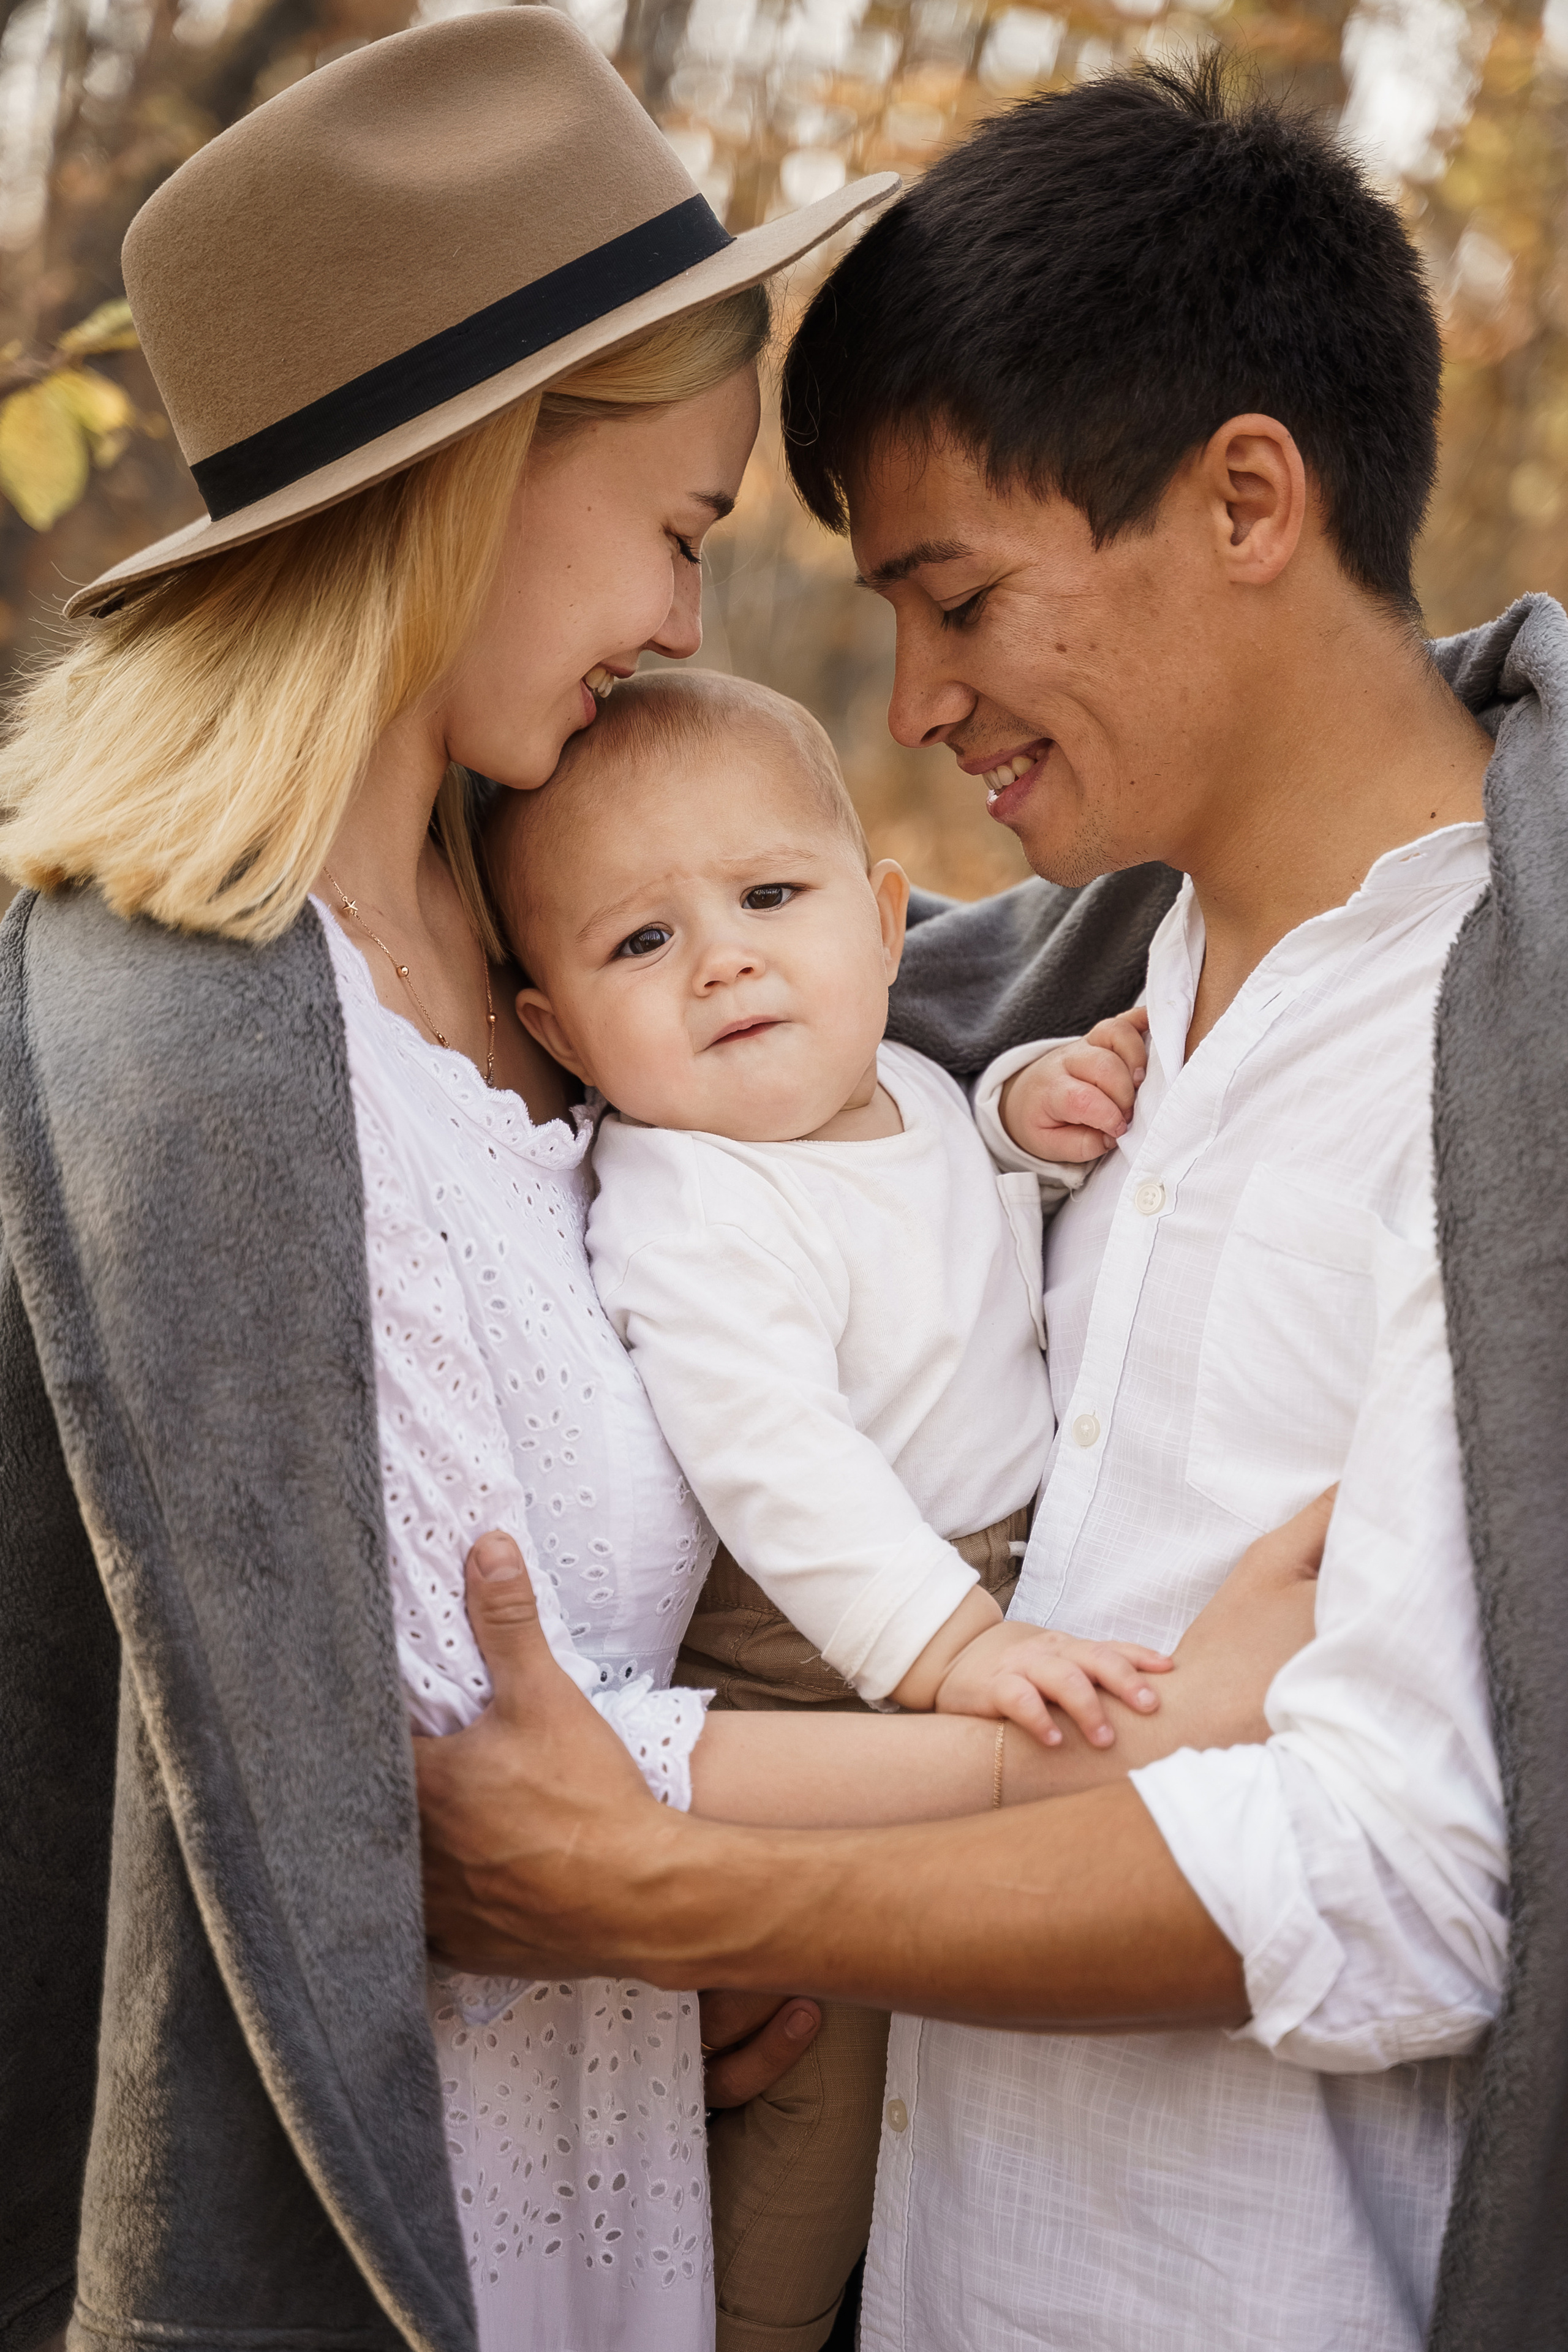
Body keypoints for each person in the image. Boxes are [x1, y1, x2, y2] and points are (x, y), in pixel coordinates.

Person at [0, 20, 1323, 2352]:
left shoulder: (536, 980)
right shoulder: (203, 1040)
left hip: (626, 2148)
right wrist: (1140, 1752)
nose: (690, 627)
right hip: (411, 2244)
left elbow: (951, 958)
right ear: (481, 476)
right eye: (687, 530)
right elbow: (450, 1809)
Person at [413, 57, 1568, 2352]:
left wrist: (666, 1888)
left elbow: (1409, 1886)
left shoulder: (1502, 1048)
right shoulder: (1016, 1013)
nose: (917, 699)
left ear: (1248, 497)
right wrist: (757, 1957)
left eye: (960, 599)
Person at [484, 664, 1164, 2346]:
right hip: (825, 1648)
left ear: (880, 927)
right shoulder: (684, 1196)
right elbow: (778, 1461)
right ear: (558, 1029)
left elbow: (954, 1229)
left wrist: (1029, 1116)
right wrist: (950, 1647)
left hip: (967, 1604)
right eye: (641, 943)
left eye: (771, 898)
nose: (722, 958)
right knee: (815, 2068)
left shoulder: (911, 1087)